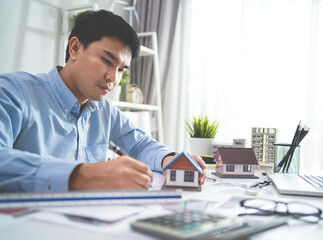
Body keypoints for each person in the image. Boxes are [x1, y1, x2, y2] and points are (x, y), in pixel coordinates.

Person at [0, 10, 207, 192]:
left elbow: (139, 145)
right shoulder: (13, 91)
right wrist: (82, 176)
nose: (113, 78)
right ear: (75, 48)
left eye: (121, 70)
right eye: (107, 61)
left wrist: (168, 159)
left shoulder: (104, 109)